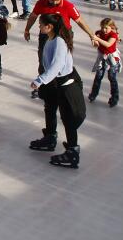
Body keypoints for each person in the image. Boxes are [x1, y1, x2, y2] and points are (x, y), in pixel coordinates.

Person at [28, 14, 87, 169]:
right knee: (50, 107)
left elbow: (57, 66)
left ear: (50, 26)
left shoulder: (59, 42)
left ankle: (73, 152)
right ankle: (50, 137)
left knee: (68, 118)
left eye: (41, 24)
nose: (39, 26)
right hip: (54, 82)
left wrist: (39, 80)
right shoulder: (50, 39)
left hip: (66, 83)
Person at [23, 0, 99, 72]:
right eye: (52, 0)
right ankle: (44, 78)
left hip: (64, 34)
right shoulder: (41, 3)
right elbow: (33, 16)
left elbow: (80, 21)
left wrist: (92, 35)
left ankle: (63, 76)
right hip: (46, 35)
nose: (55, 3)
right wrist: (27, 30)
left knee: (63, 58)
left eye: (57, 0)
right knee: (43, 58)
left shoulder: (68, 6)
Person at [89, 18, 123, 107]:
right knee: (98, 76)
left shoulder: (113, 35)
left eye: (106, 28)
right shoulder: (99, 33)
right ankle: (93, 94)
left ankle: (114, 98)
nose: (104, 30)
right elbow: (95, 44)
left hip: (112, 58)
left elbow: (108, 44)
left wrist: (97, 39)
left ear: (111, 27)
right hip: (102, 57)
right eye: (102, 28)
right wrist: (94, 41)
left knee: (112, 77)